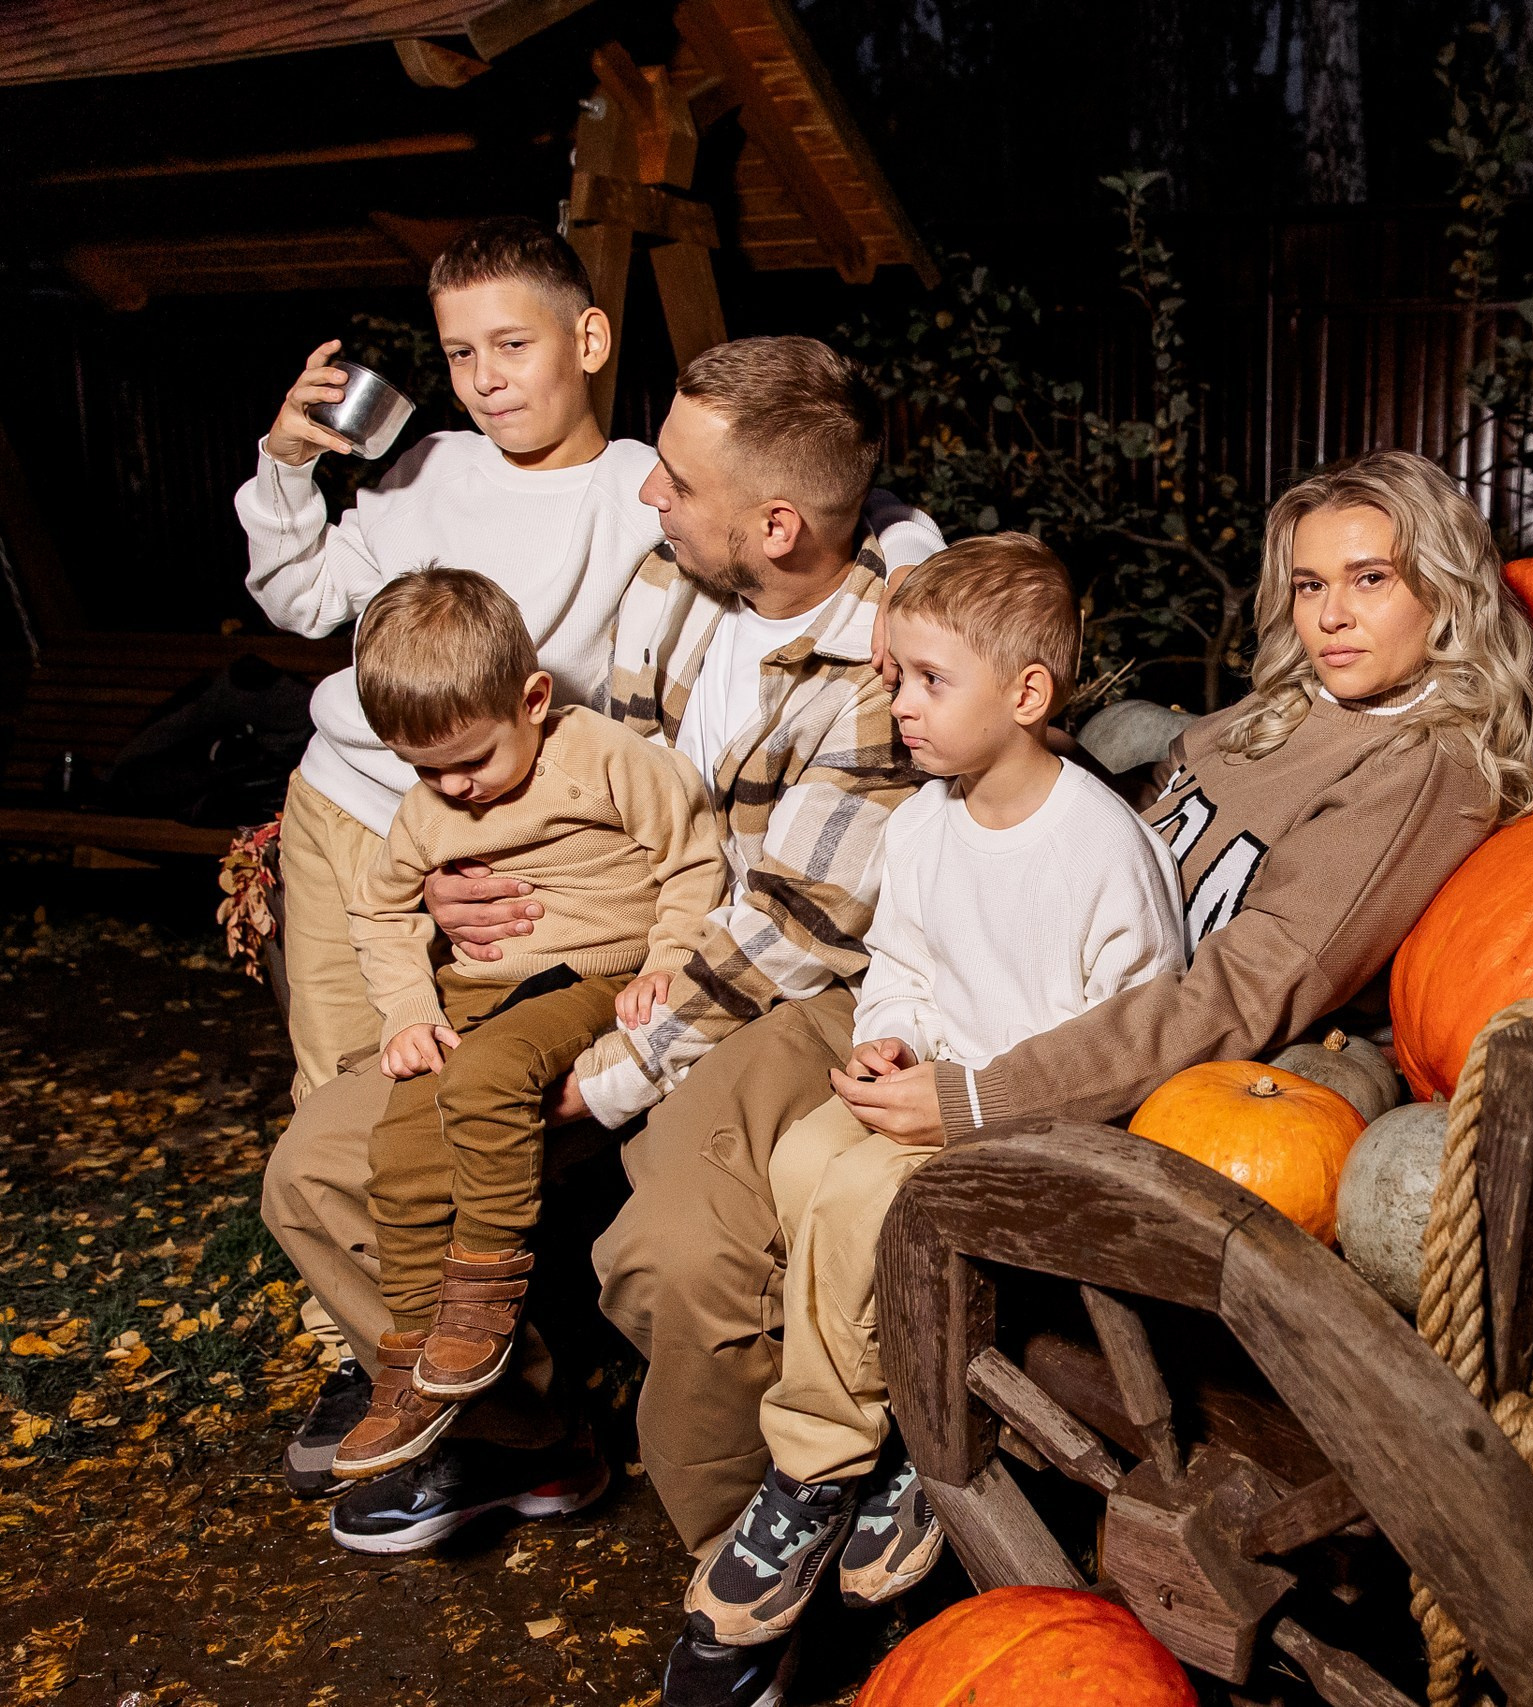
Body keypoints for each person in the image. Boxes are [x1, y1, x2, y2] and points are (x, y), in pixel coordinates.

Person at [612, 446, 1533, 1705]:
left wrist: (983, 1094)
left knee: (832, 1198)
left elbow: (1234, 989)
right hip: (986, 962)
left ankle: (831, 1483)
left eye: (1370, 580)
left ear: (1443, 593)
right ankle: (795, 1470)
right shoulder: (1294, 710)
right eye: (1311, 582)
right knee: (719, 1202)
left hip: (1100, 1055)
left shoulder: (1416, 769)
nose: (1330, 614)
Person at [259, 340, 938, 1707]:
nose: (647, 498)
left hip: (791, 996)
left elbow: (786, 938)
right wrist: (462, 865)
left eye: (676, 480)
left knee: (676, 1256)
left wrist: (607, 1080)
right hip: (609, 955)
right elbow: (582, 771)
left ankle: (753, 1575)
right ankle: (528, 1424)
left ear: (779, 524)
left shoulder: (890, 661)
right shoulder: (671, 585)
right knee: (318, 1167)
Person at [236, 219, 934, 1110]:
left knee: (415, 1067)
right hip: (344, 797)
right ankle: (335, 1211)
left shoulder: (650, 493)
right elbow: (301, 597)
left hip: (494, 822)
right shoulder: (424, 467)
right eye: (458, 354)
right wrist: (286, 467)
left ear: (589, 340)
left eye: (512, 345)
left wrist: (917, 562)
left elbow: (825, 492)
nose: (484, 379)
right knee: (332, 1061)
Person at [675, 534, 1186, 1648]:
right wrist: (893, 1043)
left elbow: (1134, 1033)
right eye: (895, 676)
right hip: (931, 1098)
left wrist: (971, 1094)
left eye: (928, 680)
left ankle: (821, 1461)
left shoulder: (1101, 846)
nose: (899, 703)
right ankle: (906, 1392)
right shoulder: (921, 825)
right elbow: (899, 969)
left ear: (1027, 693)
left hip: (1034, 1130)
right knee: (806, 1160)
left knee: (863, 1200)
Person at [328, 568, 728, 1483]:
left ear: (534, 700)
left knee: (489, 1076)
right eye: (426, 769)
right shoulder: (428, 807)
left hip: (593, 971)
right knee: (399, 1151)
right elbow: (380, 910)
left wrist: (669, 959)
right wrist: (409, 1009)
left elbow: (693, 852)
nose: (455, 787)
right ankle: (412, 1364)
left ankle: (484, 1300)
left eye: (472, 760)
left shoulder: (603, 757)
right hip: (477, 986)